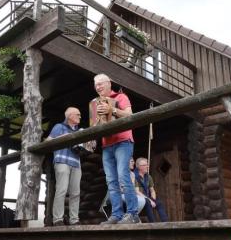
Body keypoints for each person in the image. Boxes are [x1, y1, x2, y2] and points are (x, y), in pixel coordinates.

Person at [90, 73, 140, 224]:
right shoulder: (95, 103)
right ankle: (116, 214)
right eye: (96, 84)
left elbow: (130, 116)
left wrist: (112, 109)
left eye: (100, 83)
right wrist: (92, 133)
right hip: (107, 145)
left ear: (109, 83)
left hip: (123, 141)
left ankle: (132, 214)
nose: (98, 87)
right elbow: (95, 126)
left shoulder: (121, 97)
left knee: (123, 176)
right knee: (111, 181)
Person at [47, 107, 82, 226]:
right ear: (70, 116)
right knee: (61, 190)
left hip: (76, 163)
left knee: (76, 192)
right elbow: (48, 141)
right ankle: (57, 219)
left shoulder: (80, 131)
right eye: (78, 115)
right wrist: (62, 138)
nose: (80, 117)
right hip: (62, 161)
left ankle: (74, 219)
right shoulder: (59, 127)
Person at [134, 157, 168, 222]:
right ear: (138, 167)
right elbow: (137, 192)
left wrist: (153, 199)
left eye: (147, 165)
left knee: (159, 203)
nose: (147, 166)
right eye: (144, 165)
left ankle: (166, 223)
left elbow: (152, 190)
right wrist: (150, 200)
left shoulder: (148, 177)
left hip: (147, 197)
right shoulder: (134, 176)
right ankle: (153, 224)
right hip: (138, 198)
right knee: (148, 203)